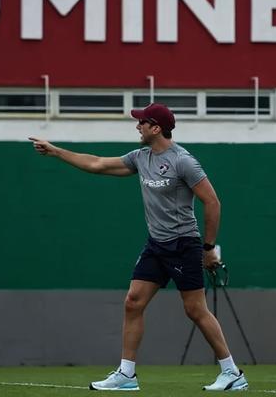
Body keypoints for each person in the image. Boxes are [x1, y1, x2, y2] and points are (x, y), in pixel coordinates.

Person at [29, 103, 248, 391]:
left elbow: (213, 202)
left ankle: (232, 373)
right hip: (156, 245)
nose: (137, 127)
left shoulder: (183, 161)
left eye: (142, 122)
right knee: (133, 302)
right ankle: (126, 375)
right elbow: (97, 163)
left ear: (156, 128)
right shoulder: (139, 157)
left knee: (195, 310)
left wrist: (207, 248)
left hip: (184, 244)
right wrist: (57, 152)